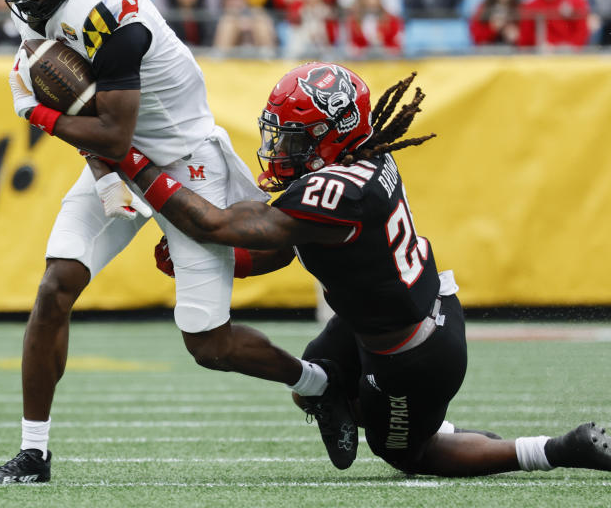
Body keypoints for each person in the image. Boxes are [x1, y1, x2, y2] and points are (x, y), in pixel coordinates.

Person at [119, 61, 611, 478]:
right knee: (315, 384)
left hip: (412, 350)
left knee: (408, 454)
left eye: (292, 139)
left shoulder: (339, 190)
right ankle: (377, 407)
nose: (280, 149)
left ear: (331, 136)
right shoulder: (359, 162)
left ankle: (562, 448)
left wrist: (129, 160)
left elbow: (214, 223)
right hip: (384, 318)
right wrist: (234, 264)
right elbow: (282, 246)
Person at [0, 0, 323, 484]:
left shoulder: (107, 10)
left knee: (207, 342)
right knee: (56, 285)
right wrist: (106, 177)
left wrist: (38, 116)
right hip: (125, 158)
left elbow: (113, 130)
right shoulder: (41, 8)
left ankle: (317, 384)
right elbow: (95, 127)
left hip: (186, 163)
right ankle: (33, 453)